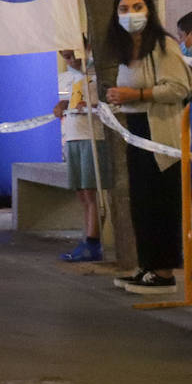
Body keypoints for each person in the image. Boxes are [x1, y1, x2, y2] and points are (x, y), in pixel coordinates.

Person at [104, 0, 191, 294]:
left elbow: (179, 88)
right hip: (136, 132)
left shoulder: (164, 47)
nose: (131, 15)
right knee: (141, 201)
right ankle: (147, 265)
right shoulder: (126, 50)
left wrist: (137, 94)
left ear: (149, 10)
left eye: (137, 7)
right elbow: (131, 93)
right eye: (124, 9)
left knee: (161, 202)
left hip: (162, 136)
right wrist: (119, 98)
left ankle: (165, 271)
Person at [53, 49, 111, 262]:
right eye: (66, 58)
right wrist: (63, 105)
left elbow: (108, 105)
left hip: (92, 136)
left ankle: (93, 241)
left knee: (90, 190)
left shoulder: (98, 75)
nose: (70, 61)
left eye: (71, 56)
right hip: (73, 135)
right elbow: (72, 101)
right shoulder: (73, 78)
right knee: (81, 191)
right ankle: (86, 238)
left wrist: (92, 106)